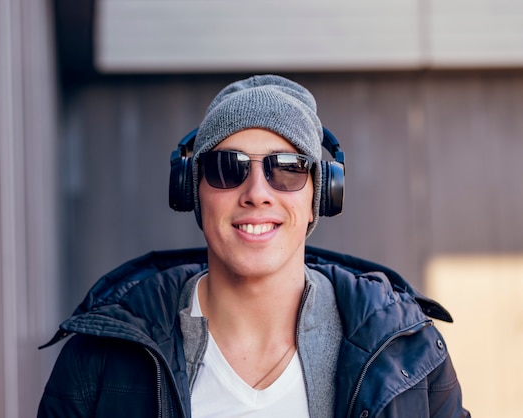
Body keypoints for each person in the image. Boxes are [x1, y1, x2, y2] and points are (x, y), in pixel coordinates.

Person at [37, 75, 469, 417]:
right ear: (191, 191)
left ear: (320, 196)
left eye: (287, 169)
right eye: (229, 167)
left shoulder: (408, 355)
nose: (257, 192)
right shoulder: (100, 357)